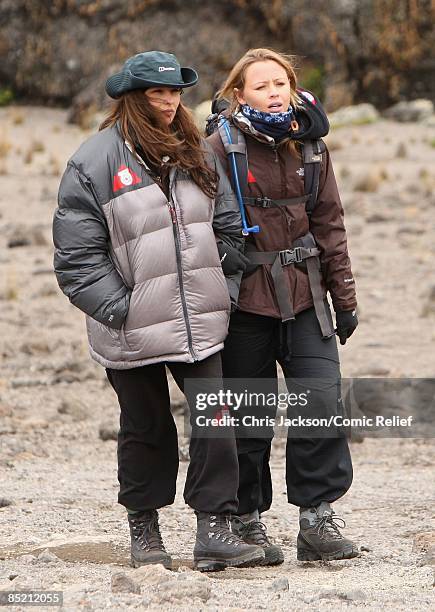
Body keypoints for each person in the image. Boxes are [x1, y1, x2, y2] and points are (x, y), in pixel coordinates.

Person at [52, 50, 265, 572]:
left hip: (201, 317)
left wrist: (224, 286)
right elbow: (77, 258)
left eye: (175, 93)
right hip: (131, 325)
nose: (170, 103)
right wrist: (123, 310)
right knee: (145, 429)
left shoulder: (197, 152)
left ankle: (215, 531)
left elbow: (229, 229)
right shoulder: (93, 161)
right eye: (157, 93)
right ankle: (144, 532)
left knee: (215, 421)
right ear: (132, 97)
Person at [207, 48, 359, 563]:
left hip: (306, 295)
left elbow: (330, 224)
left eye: (281, 83)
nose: (273, 92)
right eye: (261, 85)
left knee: (320, 406)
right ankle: (246, 520)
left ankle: (316, 520)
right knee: (249, 416)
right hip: (244, 302)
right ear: (238, 94)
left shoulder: (311, 147)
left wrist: (345, 299)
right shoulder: (217, 148)